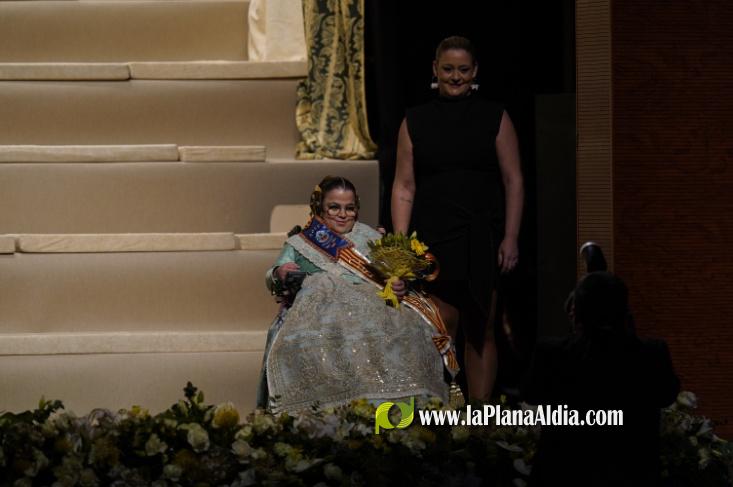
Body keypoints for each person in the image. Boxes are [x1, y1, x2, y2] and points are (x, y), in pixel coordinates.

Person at [391, 36, 524, 403]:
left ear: (475, 71)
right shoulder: (414, 120)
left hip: (482, 236)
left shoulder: (496, 117)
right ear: (435, 69)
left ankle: (479, 416)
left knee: (481, 328)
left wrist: (511, 236)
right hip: (433, 238)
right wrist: (400, 249)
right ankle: (438, 414)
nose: (455, 76)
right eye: (448, 69)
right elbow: (404, 186)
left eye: (463, 70)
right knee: (439, 327)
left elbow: (514, 180)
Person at [257, 176, 456, 412]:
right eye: (334, 207)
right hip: (322, 308)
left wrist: (399, 284)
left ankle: (399, 411)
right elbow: (274, 275)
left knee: (407, 331)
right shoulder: (300, 243)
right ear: (319, 208)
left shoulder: (373, 238)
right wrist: (280, 272)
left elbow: (395, 276)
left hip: (376, 305)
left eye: (349, 208)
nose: (343, 215)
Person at [521, 271, 680, 486]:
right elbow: (667, 395)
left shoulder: (551, 353)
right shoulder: (653, 354)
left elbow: (531, 394)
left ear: (576, 311)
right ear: (625, 312)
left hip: (563, 474)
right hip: (632, 475)